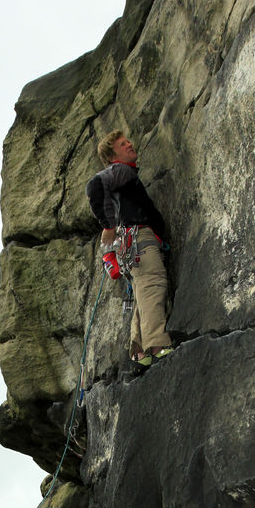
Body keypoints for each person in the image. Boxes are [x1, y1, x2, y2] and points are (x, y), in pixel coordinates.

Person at [86, 130, 172, 370]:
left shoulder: (124, 177)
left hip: (130, 244)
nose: (129, 145)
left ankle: (139, 351)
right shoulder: (121, 171)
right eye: (123, 145)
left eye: (128, 141)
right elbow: (93, 187)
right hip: (138, 239)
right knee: (152, 284)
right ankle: (157, 345)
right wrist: (109, 225)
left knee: (142, 291)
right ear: (113, 157)